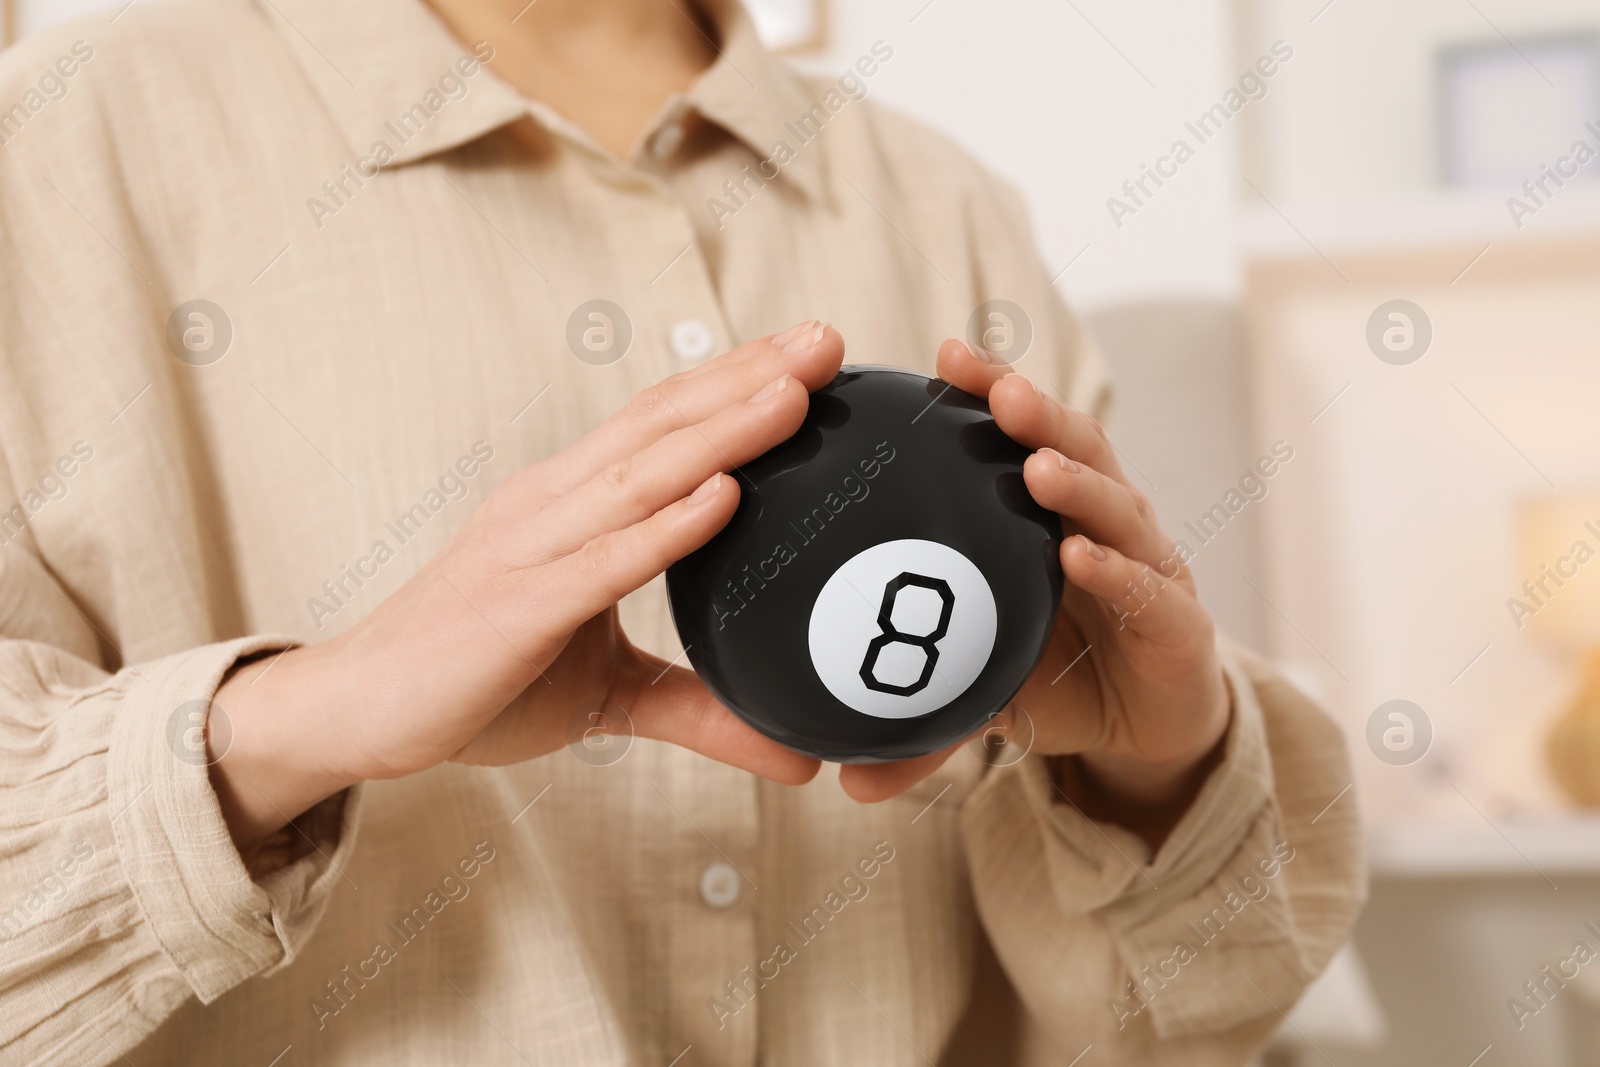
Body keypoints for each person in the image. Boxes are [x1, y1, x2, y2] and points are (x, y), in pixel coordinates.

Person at [0, 0, 1362, 1063]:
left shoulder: (950, 207)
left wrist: (1166, 774)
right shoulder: (64, 151)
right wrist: (302, 719)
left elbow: (1196, 1014)